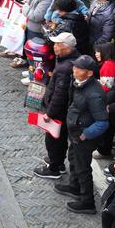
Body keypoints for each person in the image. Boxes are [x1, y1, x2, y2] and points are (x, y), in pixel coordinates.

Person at [54, 55, 109, 213]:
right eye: (74, 67)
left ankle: (87, 201)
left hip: (83, 135)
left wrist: (85, 134)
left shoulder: (94, 94)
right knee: (73, 159)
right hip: (76, 130)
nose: (74, 70)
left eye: (79, 68)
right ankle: (74, 186)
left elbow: (102, 122)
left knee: (83, 167)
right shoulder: (78, 82)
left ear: (89, 73)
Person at [34, 32, 80, 180]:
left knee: (54, 139)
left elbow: (60, 94)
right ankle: (57, 161)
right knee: (58, 138)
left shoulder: (66, 67)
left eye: (58, 44)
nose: (54, 47)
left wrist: (50, 113)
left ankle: (54, 167)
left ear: (67, 48)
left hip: (59, 111)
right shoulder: (69, 60)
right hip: (64, 109)